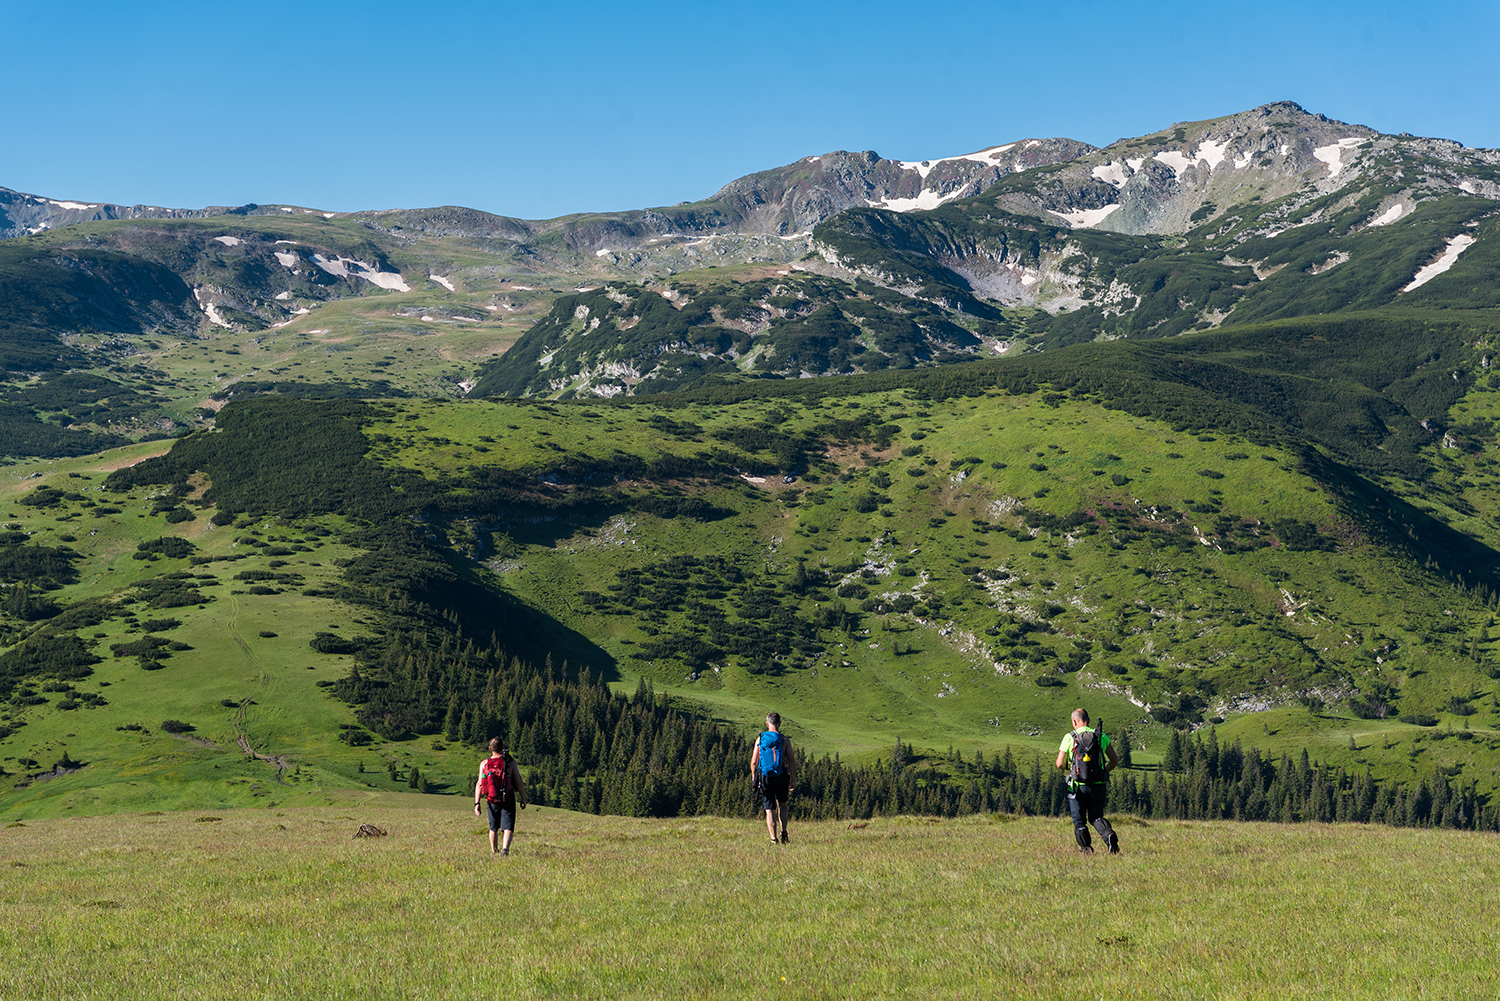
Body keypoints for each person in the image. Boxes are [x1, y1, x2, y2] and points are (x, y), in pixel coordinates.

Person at [1055, 708, 1120, 854]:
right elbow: (1114, 760)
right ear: (1088, 721)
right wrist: (1103, 771)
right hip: (1098, 784)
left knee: (1079, 820)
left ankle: (1086, 849)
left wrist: (1070, 769)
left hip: (1077, 786)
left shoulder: (1070, 737)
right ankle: (1108, 835)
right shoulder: (1100, 736)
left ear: (1074, 721)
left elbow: (1059, 764)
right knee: (1096, 816)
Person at [473, 738, 527, 856]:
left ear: (490, 749)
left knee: (493, 827)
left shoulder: (484, 764)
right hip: (507, 797)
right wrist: (523, 798)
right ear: (502, 748)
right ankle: (505, 849)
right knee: (508, 826)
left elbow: (480, 784)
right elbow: (518, 782)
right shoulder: (510, 763)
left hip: (492, 799)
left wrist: (477, 803)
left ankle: (494, 851)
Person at [751, 712, 796, 844]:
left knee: (769, 809)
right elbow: (791, 760)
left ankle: (773, 839)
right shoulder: (784, 740)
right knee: (782, 804)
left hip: (765, 777)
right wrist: (793, 779)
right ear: (779, 724)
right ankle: (784, 833)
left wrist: (755, 778)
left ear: (767, 723)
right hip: (781, 775)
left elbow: (754, 761)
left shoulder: (760, 739)